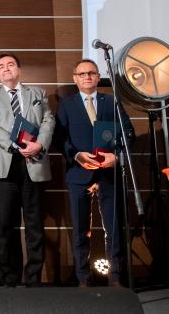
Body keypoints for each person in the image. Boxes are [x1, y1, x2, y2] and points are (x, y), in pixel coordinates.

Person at [55, 59, 133, 287]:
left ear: (99, 77)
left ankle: (115, 278)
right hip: (79, 173)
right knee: (81, 229)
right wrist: (77, 155)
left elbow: (128, 133)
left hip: (109, 173)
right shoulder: (66, 105)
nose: (87, 77)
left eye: (91, 73)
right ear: (75, 78)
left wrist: (116, 157)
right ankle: (82, 278)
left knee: (114, 227)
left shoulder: (111, 102)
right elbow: (60, 139)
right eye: (82, 74)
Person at [0, 53, 55, 288]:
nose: (6, 69)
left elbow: (48, 120)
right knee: (4, 225)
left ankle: (33, 278)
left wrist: (39, 144)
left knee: (34, 224)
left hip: (33, 164)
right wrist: (15, 144)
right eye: (1, 66)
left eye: (10, 65)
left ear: (19, 70)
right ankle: (8, 277)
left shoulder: (37, 93)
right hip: (3, 165)